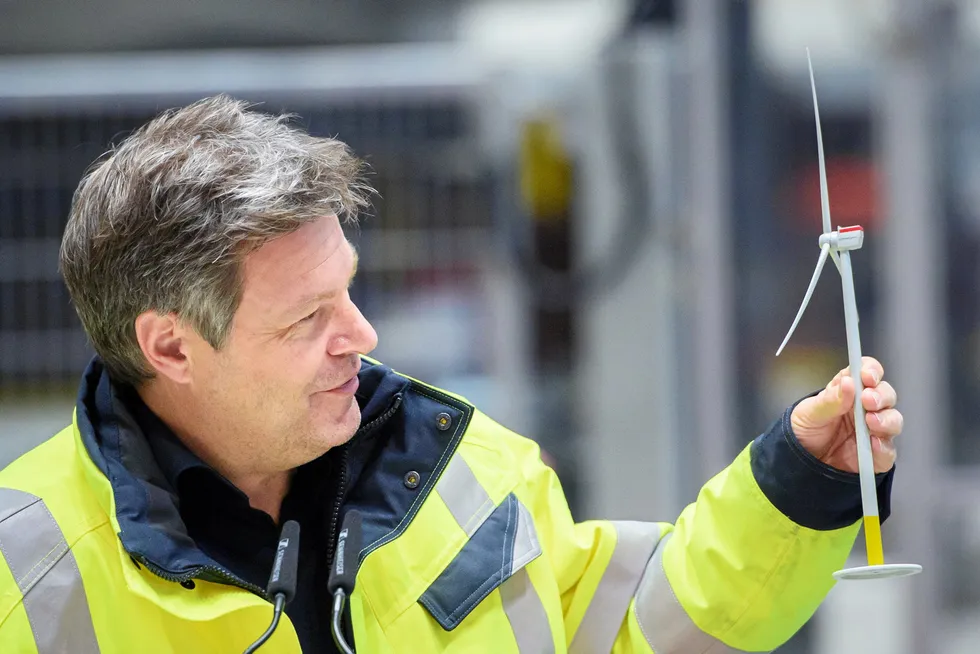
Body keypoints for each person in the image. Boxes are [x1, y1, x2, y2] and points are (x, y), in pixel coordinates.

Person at [0, 96, 902, 654]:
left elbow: (626, 628)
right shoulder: (25, 576)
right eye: (306, 318)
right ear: (169, 348)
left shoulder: (464, 471)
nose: (360, 334)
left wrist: (797, 482)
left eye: (347, 291)